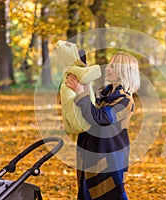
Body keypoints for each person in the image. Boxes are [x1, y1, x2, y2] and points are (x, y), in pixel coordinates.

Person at [66, 52, 140, 200]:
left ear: (122, 70)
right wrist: (82, 74)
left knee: (110, 195)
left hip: (109, 157)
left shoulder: (125, 100)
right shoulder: (104, 94)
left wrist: (81, 93)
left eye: (112, 66)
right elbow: (89, 109)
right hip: (91, 152)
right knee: (87, 195)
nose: (107, 68)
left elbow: (101, 118)